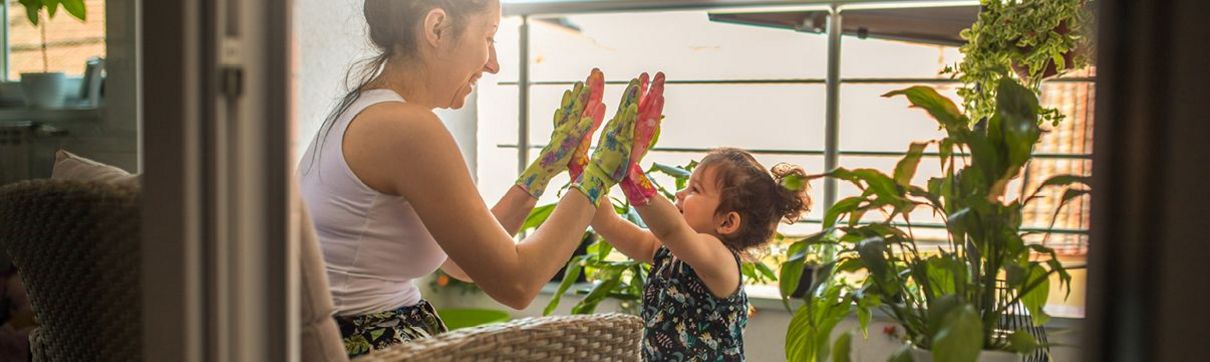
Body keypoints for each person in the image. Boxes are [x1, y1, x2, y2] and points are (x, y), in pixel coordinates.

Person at [297, 0, 660, 356]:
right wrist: (597, 176)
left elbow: (464, 262)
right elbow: (516, 283)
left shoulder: (366, 110)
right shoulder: (404, 128)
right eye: (489, 37)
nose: (494, 64)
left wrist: (546, 166)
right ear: (436, 28)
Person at [591, 144, 812, 360]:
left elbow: (671, 229)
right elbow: (612, 225)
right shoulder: (669, 249)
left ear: (727, 221)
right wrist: (588, 178)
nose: (679, 193)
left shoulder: (720, 259)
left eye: (694, 189)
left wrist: (629, 173)